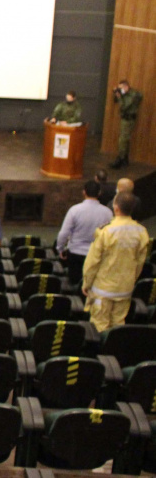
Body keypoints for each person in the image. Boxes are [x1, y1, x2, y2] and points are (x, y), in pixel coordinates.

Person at [82, 192, 149, 331]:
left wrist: (86, 283)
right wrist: (130, 280)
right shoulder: (142, 232)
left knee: (99, 326)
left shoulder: (105, 231)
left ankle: (101, 352)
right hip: (125, 289)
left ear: (116, 207)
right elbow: (140, 263)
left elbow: (93, 262)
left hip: (103, 289)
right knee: (118, 326)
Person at [56, 180, 114, 289]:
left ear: (84, 192)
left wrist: (60, 249)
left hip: (75, 254)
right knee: (92, 285)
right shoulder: (108, 213)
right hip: (96, 255)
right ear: (99, 193)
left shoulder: (75, 210)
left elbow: (64, 233)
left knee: (74, 284)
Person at [111, 79, 144, 168]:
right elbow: (115, 101)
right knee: (125, 139)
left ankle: (120, 159)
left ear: (126, 87)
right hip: (124, 119)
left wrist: (119, 96)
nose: (120, 90)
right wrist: (116, 93)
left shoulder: (133, 95)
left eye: (121, 88)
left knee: (123, 139)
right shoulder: (124, 94)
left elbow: (124, 106)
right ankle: (125, 158)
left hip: (129, 120)